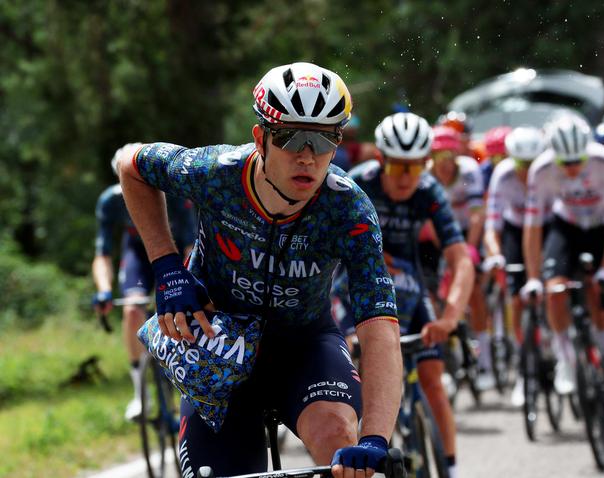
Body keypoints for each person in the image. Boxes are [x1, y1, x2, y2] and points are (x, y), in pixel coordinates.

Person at [116, 62, 402, 478]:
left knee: (341, 445)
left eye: (324, 141)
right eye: (291, 137)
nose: (308, 156)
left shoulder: (349, 209)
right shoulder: (215, 173)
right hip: (218, 344)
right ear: (260, 139)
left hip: (304, 347)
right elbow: (130, 164)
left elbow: (379, 326)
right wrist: (167, 267)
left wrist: (375, 437)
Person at [345, 112, 474, 478]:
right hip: (357, 287)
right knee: (355, 382)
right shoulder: (357, 185)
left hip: (411, 287)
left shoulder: (428, 190)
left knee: (432, 377)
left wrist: (449, 318)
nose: (406, 178)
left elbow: (460, 260)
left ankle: (451, 467)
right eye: (399, 166)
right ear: (381, 160)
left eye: (415, 168)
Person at [520, 115, 604, 438]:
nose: (572, 168)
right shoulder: (541, 170)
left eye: (577, 161)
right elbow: (532, 228)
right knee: (554, 290)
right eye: (565, 162)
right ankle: (564, 356)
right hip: (567, 228)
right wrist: (534, 277)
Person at [92, 151, 196, 420]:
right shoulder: (111, 201)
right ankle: (140, 394)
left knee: (186, 311)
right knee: (131, 310)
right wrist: (103, 290)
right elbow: (102, 254)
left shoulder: (175, 197)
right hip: (137, 254)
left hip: (172, 251)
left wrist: (188, 285)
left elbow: (190, 247)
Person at [482, 126, 546, 406]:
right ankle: (525, 372)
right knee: (517, 299)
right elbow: (492, 224)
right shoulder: (503, 174)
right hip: (514, 232)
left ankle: (560, 339)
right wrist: (496, 254)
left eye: (532, 163)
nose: (527, 170)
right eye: (522, 163)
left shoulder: (546, 174)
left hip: (546, 229)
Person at [426, 125, 492, 390]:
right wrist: (446, 251)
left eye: (448, 157)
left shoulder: (469, 170)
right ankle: (447, 357)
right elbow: (427, 220)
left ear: (456, 155)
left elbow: (478, 214)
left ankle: (485, 358)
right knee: (433, 294)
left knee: (473, 289)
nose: (444, 164)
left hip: (467, 230)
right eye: (438, 157)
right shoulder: (427, 175)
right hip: (438, 234)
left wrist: (470, 248)